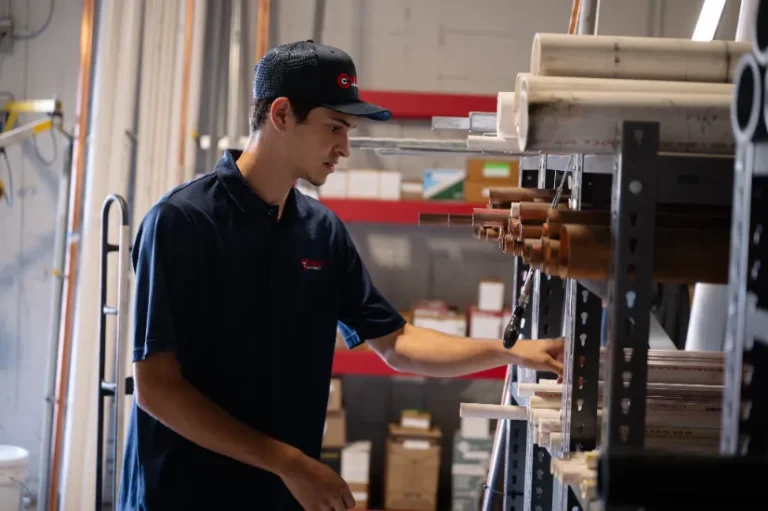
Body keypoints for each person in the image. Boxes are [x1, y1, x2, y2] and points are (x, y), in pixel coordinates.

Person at [117, 40, 565, 511]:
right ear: (282, 114)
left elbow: (396, 342)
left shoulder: (320, 231)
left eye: (347, 130)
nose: (345, 148)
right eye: (334, 127)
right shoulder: (181, 222)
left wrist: (514, 352)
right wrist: (288, 462)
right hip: (180, 494)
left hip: (279, 496)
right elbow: (156, 388)